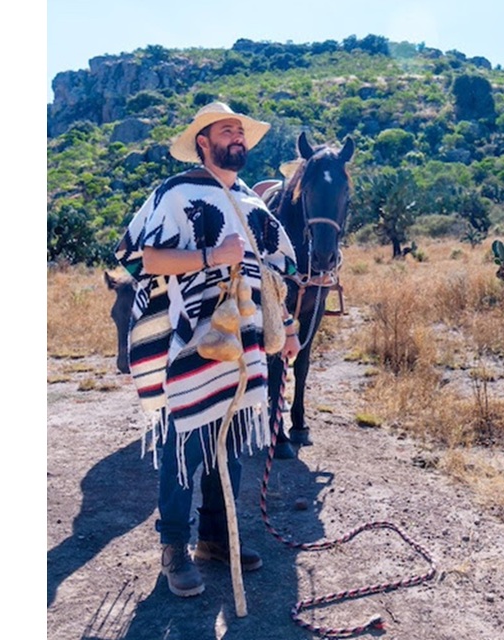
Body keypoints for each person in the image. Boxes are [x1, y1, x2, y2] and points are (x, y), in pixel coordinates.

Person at [114, 102, 301, 597]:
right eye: (227, 130)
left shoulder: (251, 202)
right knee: (188, 445)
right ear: (203, 141)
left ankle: (216, 540)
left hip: (247, 346)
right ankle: (174, 546)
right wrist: (209, 257)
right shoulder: (175, 193)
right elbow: (140, 260)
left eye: (241, 130)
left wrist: (287, 326)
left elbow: (276, 274)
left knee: (233, 448)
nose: (237, 137)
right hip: (194, 339)